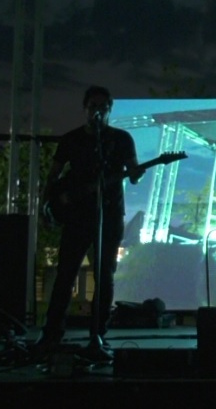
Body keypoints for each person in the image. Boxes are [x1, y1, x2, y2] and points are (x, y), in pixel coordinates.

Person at [37, 85, 139, 360]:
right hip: (77, 218)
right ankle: (51, 333)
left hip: (110, 215)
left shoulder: (121, 139)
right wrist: (46, 207)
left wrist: (135, 172)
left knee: (104, 276)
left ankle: (98, 334)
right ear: (85, 108)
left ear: (110, 110)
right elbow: (54, 176)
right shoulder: (71, 139)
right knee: (65, 274)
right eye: (94, 106)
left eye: (103, 107)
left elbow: (134, 172)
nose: (98, 111)